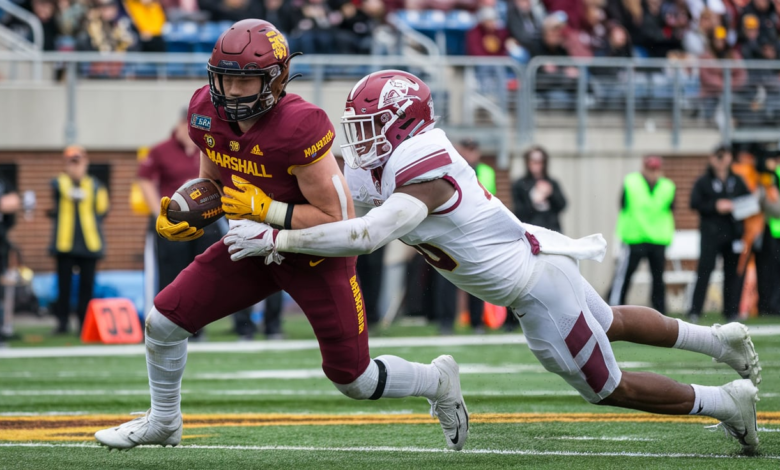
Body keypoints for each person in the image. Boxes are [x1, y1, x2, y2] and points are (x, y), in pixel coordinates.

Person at [224, 70, 762, 453]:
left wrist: (277, 240)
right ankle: (718, 341)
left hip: (535, 290)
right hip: (536, 259)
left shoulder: (424, 170)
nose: (358, 138)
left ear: (404, 124)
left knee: (607, 386)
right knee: (610, 321)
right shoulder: (390, 158)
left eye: (370, 125)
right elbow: (335, 203)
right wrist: (268, 202)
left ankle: (726, 402)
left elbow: (366, 235)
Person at [95, 20, 468, 452]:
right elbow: (212, 184)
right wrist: (185, 209)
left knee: (355, 379)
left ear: (275, 80)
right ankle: (163, 421)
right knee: (163, 322)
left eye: (244, 80)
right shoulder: (204, 111)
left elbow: (338, 218)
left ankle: (438, 380)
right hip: (251, 246)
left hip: (314, 256)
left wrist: (266, 210)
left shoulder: (299, 125)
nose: (231, 92)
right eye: (224, 79)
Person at [136, 110, 224, 341]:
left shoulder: (207, 149)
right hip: (172, 224)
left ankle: (196, 328)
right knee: (171, 275)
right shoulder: (160, 150)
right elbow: (144, 180)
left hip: (205, 224)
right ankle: (167, 324)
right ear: (178, 125)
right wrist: (159, 214)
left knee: (203, 273)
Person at [49, 145, 109, 334]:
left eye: (79, 162)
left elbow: (102, 208)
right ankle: (62, 323)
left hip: (89, 243)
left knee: (87, 287)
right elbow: (65, 190)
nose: (75, 167)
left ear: (85, 163)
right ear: (66, 165)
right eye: (71, 163)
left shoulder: (95, 185)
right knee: (64, 286)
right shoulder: (59, 182)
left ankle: (84, 323)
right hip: (64, 242)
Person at [689, 145, 751, 323]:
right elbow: (694, 203)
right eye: (719, 156)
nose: (722, 160)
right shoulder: (703, 181)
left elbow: (749, 202)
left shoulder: (737, 180)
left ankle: (731, 312)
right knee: (704, 271)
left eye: (725, 156)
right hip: (711, 234)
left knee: (732, 273)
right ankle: (695, 310)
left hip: (733, 234)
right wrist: (715, 205)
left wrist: (734, 206)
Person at [610, 155, 676, 314]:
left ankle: (660, 312)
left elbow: (670, 209)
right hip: (635, 237)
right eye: (650, 169)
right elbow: (623, 205)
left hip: (658, 239)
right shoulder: (631, 182)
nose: (653, 173)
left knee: (658, 279)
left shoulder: (668, 186)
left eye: (656, 169)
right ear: (643, 168)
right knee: (625, 276)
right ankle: (615, 308)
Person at [511, 146, 566, 232]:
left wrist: (550, 193)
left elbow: (562, 205)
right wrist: (534, 200)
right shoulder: (520, 184)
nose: (537, 164)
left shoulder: (552, 182)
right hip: (531, 229)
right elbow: (519, 212)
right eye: (533, 161)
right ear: (527, 162)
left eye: (540, 161)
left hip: (551, 228)